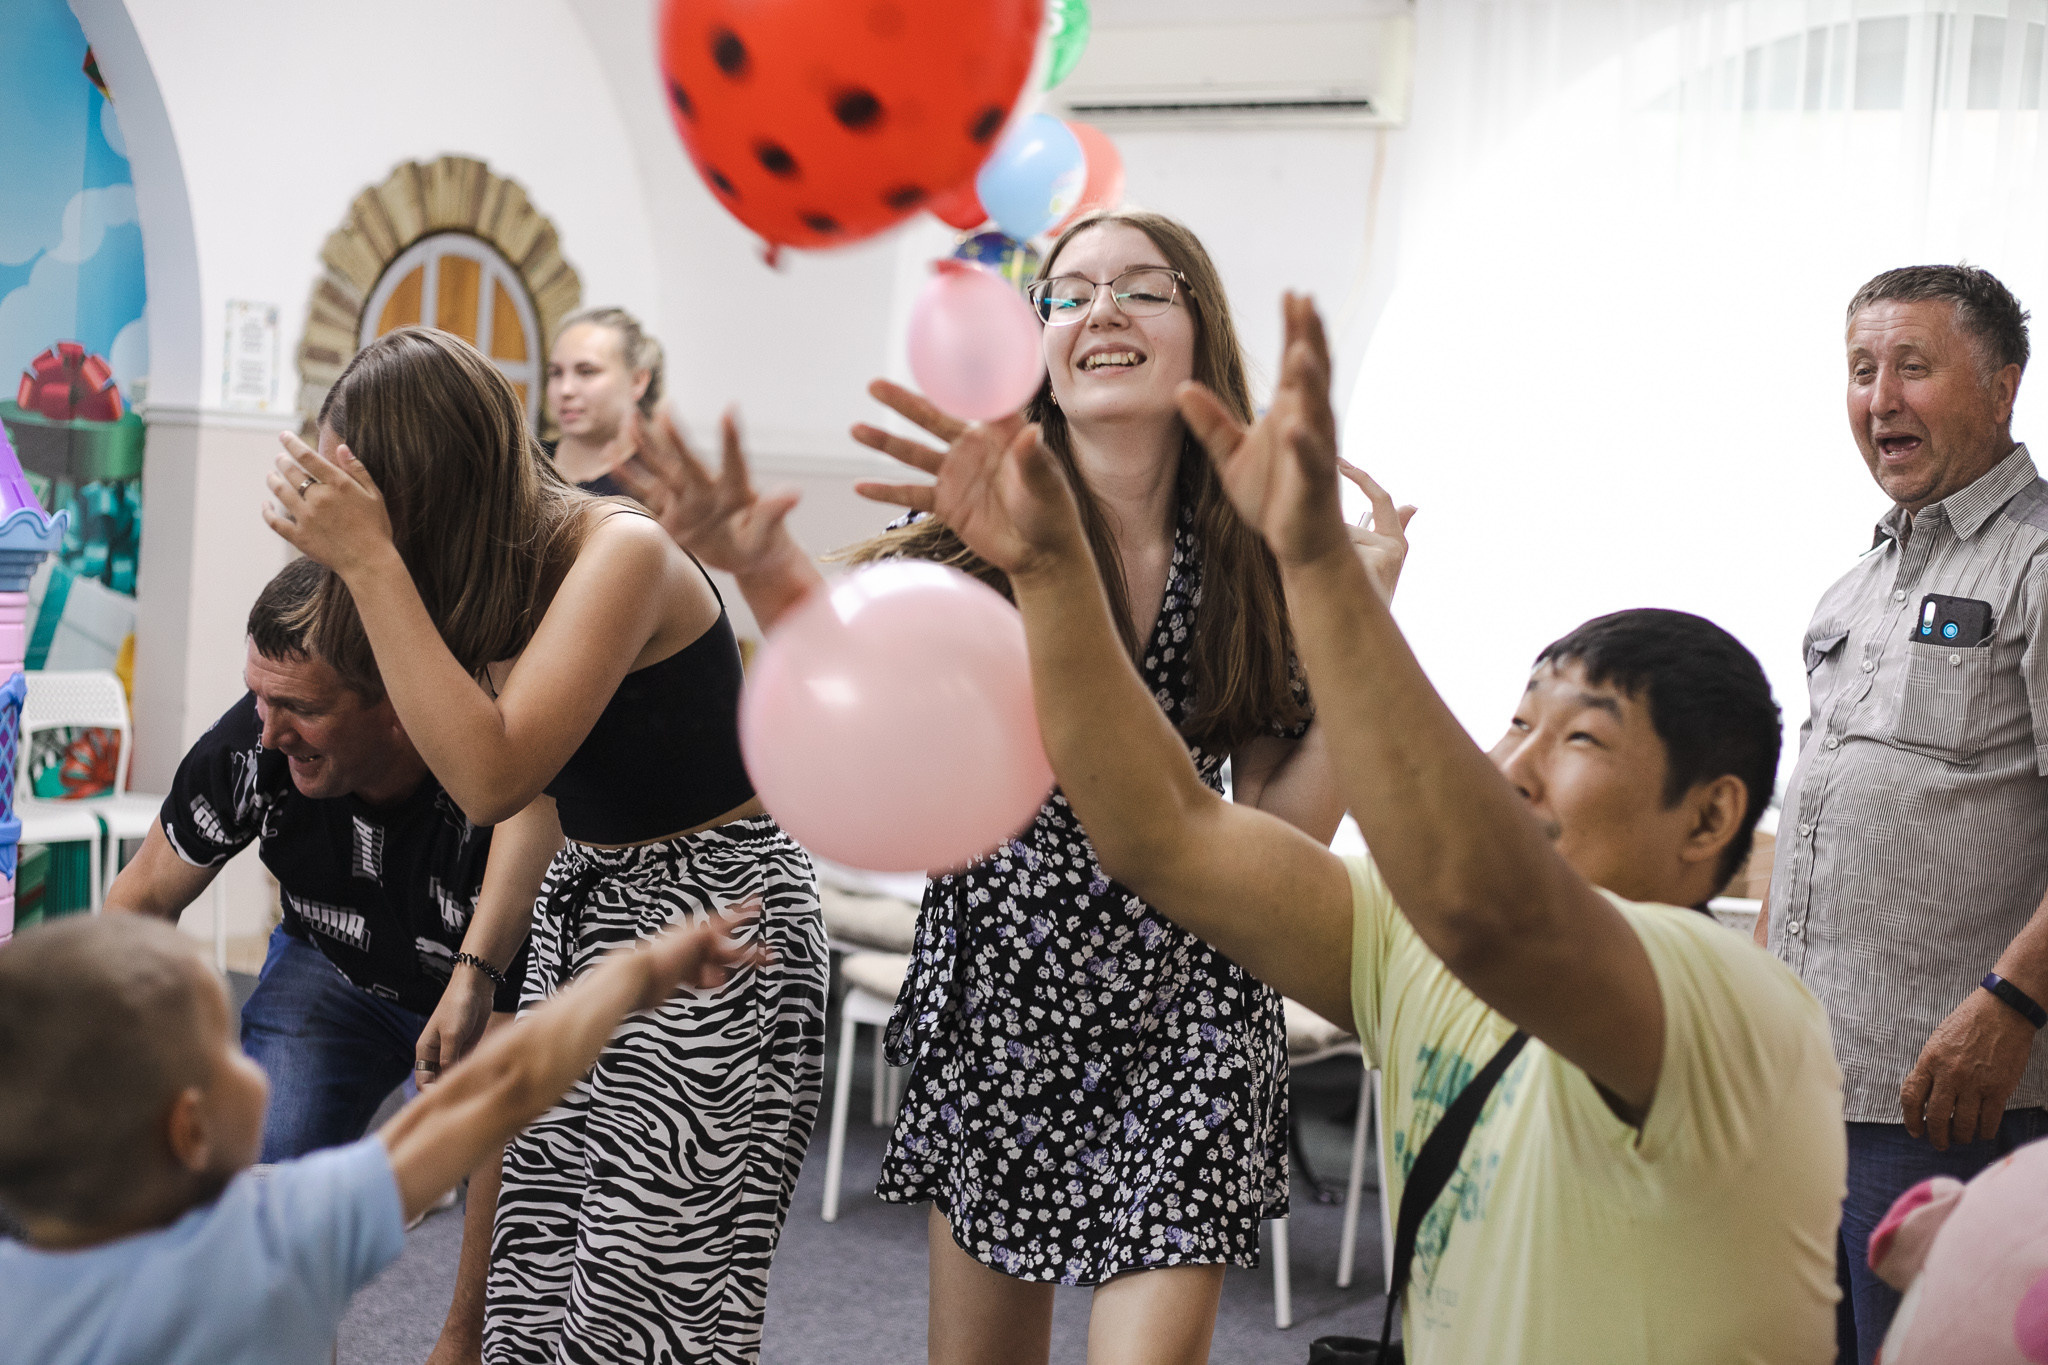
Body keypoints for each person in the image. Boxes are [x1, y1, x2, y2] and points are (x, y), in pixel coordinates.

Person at [843, 292, 1846, 1363]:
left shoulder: (1733, 1001)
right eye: (1514, 724)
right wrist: (1048, 571)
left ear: (1710, 817)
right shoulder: (1414, 953)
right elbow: (1166, 835)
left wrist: (1323, 578)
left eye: (1579, 741)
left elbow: (1486, 911)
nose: (1511, 769)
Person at [617, 210, 1408, 1364]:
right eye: (1070, 292)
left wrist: (1358, 621)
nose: (1102, 312)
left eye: (1144, 290)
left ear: (1200, 333)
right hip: (1004, 994)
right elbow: (873, 697)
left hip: (1189, 1009)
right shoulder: (982, 511)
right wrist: (762, 565)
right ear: (1037, 340)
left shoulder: (1256, 544)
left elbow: (1282, 836)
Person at [261, 326, 826, 1365]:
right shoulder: (502, 573)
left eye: (368, 493)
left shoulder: (621, 551)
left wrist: (373, 562)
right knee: (534, 1273)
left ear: (426, 483)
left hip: (713, 923)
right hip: (589, 900)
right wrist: (477, 970)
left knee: (648, 1302)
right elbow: (541, 795)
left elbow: (489, 775)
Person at [0, 904, 763, 1365]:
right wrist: (633, 975)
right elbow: (501, 1089)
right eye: (226, 1050)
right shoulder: (276, 1238)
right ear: (189, 1129)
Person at [1759, 264, 2048, 1364]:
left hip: (1953, 1092)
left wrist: (2006, 1005)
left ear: (2001, 385)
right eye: (1859, 370)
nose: (1878, 398)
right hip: (1810, 1092)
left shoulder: (2031, 563)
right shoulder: (1851, 587)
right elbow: (1815, 807)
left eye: (1911, 367)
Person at [106, 555, 527, 1163]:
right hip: (335, 963)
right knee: (258, 1173)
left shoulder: (495, 783)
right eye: (259, 697)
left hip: (491, 987)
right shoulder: (248, 750)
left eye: (302, 709)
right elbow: (141, 897)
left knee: (504, 1190)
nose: (271, 733)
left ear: (396, 708)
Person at [544, 306, 664, 496]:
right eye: (556, 373)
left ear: (637, 381)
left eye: (586, 371)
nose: (565, 390)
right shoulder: (521, 464)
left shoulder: (656, 489)